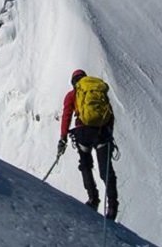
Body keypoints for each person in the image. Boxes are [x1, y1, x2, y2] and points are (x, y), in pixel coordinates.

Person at [57, 69, 119, 219]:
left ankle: (93, 198)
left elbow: (66, 116)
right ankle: (112, 205)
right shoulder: (97, 90)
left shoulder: (73, 95)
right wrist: (109, 131)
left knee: (85, 164)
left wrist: (63, 137)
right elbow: (109, 114)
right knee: (106, 170)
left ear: (74, 83)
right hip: (102, 132)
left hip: (84, 133)